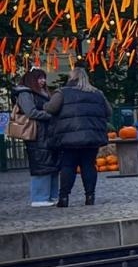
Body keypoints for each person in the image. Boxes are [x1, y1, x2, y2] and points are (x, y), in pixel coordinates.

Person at [44, 66, 112, 207]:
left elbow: (51, 108)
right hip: (91, 136)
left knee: (68, 166)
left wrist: (45, 104)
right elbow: (108, 111)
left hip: (68, 136)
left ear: (71, 77)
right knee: (89, 165)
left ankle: (64, 197)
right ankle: (90, 196)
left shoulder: (62, 92)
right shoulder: (97, 93)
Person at [12, 68, 57, 207]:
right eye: (40, 78)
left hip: (46, 132)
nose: (43, 81)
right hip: (36, 133)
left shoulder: (43, 93)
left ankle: (51, 195)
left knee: (51, 164)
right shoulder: (25, 93)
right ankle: (40, 197)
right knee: (40, 164)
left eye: (44, 78)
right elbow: (30, 112)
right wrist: (49, 116)